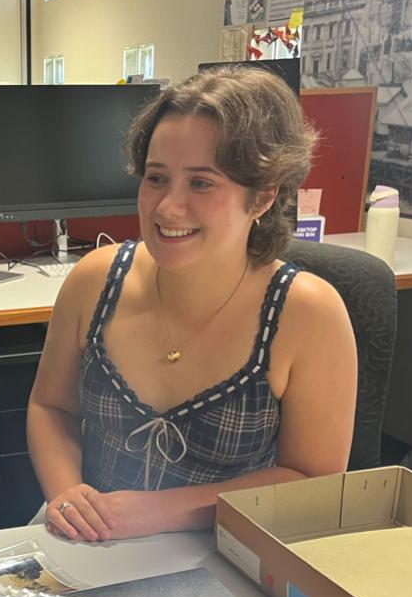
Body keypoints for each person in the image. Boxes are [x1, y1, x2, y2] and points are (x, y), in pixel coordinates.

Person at [27, 66, 357, 543]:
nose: (166, 208)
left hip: (229, 550)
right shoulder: (94, 280)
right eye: (156, 178)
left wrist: (161, 511)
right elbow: (50, 406)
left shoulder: (306, 314)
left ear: (263, 195)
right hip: (89, 542)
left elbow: (313, 480)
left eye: (201, 183)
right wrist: (69, 498)